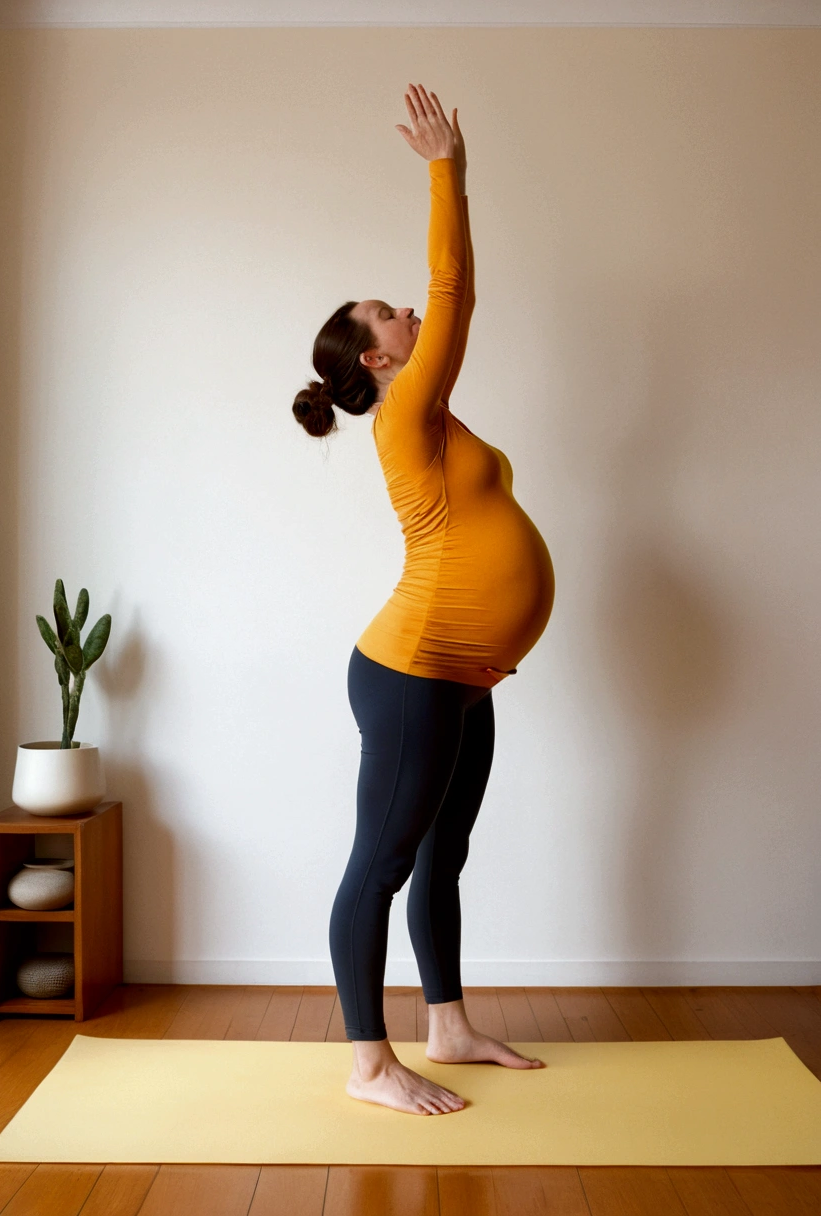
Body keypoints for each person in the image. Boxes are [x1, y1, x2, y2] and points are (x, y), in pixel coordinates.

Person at [293, 84, 555, 1115]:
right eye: (385, 313)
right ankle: (368, 1064)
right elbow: (453, 286)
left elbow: (438, 299)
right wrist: (446, 168)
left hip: (462, 674)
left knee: (443, 852)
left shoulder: (430, 417)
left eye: (397, 304)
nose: (405, 308)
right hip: (409, 674)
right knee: (385, 860)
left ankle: (445, 1022)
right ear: (377, 356)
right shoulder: (402, 416)